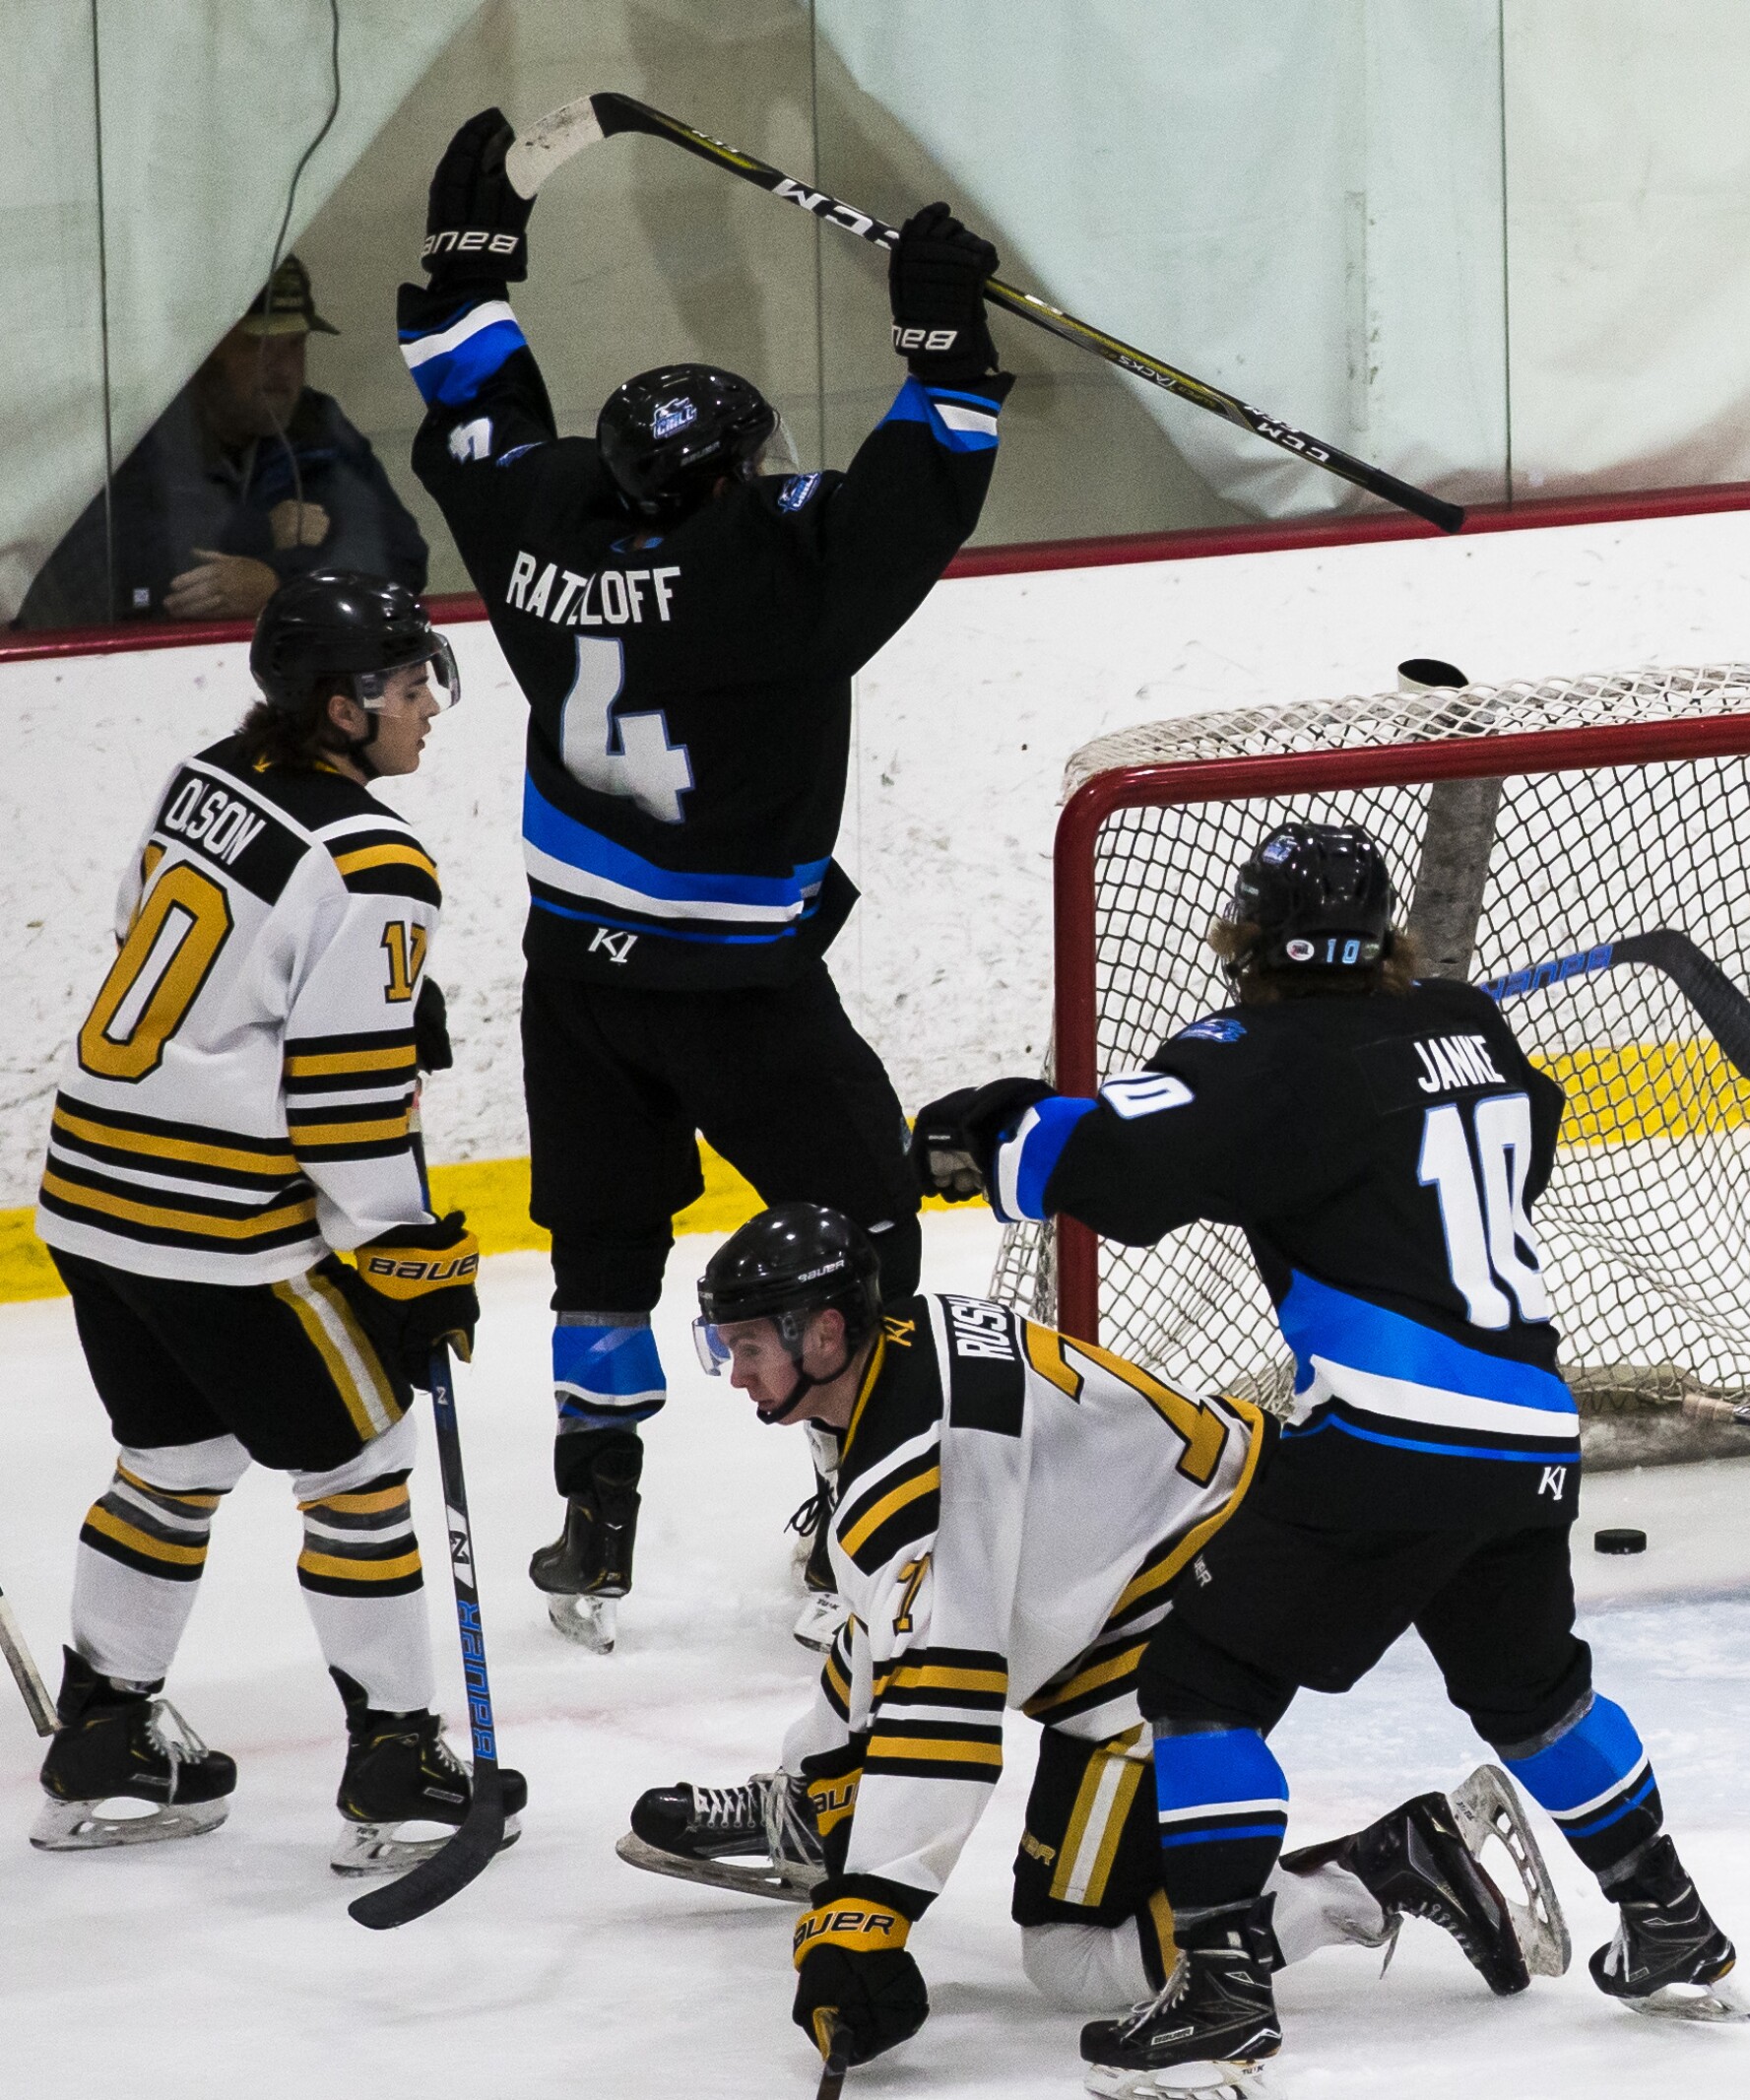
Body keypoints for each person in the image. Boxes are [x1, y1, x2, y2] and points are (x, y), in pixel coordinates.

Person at [910, 822, 1750, 2094]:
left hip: (1385, 1434)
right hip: (1529, 1431)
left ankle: (1222, 1996)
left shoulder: (1254, 1058)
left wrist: (989, 1126)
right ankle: (1674, 1926)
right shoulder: (1473, 1025)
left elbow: (1107, 1171)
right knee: (1535, 1698)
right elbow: (1513, 1108)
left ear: (1247, 938)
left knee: (1202, 1684)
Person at [390, 107, 1009, 1650]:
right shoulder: (772, 588)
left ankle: (595, 1523)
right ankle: (856, 1506)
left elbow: (474, 403)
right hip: (739, 990)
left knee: (600, 1242)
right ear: (731, 480)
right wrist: (939, 332)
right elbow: (928, 476)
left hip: (575, 985)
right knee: (867, 1217)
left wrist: (470, 266)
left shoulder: (540, 530)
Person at [631, 1207, 1552, 2075]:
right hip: (1214, 1532)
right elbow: (892, 1623)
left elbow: (944, 1712)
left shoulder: (915, 1470)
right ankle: (801, 1796)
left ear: (824, 1333)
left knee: (1070, 1956)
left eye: (746, 1347)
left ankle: (1379, 1873)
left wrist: (871, 1913)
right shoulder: (900, 1345)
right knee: (898, 1685)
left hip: (1195, 1602)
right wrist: (821, 1767)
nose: (736, 1371)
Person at [30, 569, 506, 1873]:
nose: (429, 709)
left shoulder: (204, 775)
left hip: (89, 1196)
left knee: (174, 1466)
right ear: (346, 707)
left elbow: (170, 949)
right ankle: (399, 1766)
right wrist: (408, 1258)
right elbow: (349, 1116)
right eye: (410, 688)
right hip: (221, 1232)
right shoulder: (376, 858)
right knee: (357, 1471)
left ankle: (105, 1734)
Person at [14, 256, 429, 631]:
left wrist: (277, 585)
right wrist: (262, 532)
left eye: (295, 343)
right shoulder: (132, 432)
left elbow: (400, 559)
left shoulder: (316, 424)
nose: (283, 370)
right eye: (258, 344)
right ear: (205, 348)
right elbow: (133, 574)